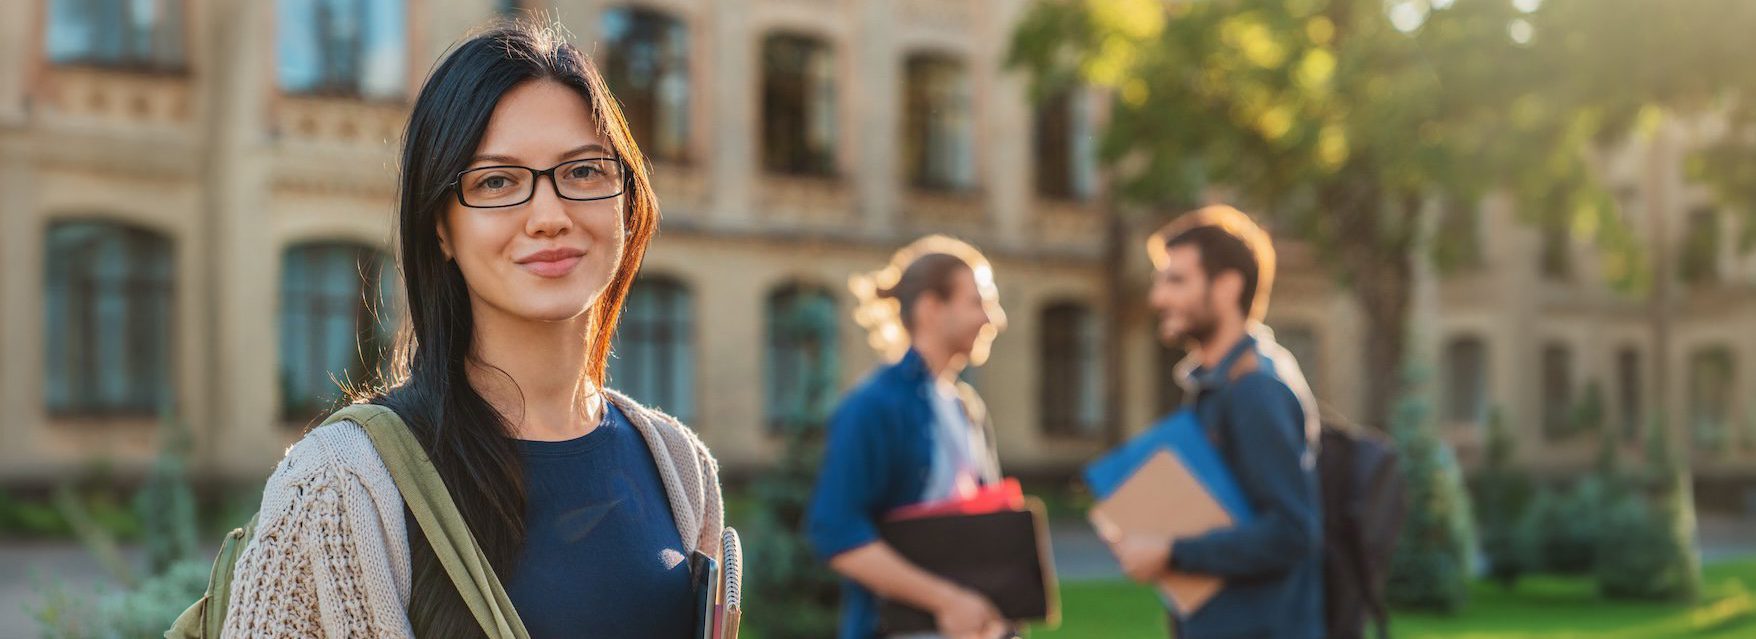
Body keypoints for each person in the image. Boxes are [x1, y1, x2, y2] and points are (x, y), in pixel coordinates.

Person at [220, 20, 723, 638]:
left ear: (626, 197)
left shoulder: (677, 465)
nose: (548, 216)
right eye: (496, 182)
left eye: (584, 171)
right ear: (440, 227)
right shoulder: (341, 482)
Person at [1107, 205, 1324, 639]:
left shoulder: (1255, 390)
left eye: (1176, 281)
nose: (1158, 298)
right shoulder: (1220, 383)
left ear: (1226, 287)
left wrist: (1172, 550)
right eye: (1159, 281)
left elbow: (1292, 531)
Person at [806, 237, 1013, 639]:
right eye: (978, 302)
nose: (994, 319)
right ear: (930, 309)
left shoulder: (967, 408)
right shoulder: (872, 406)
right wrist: (948, 601)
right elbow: (835, 532)